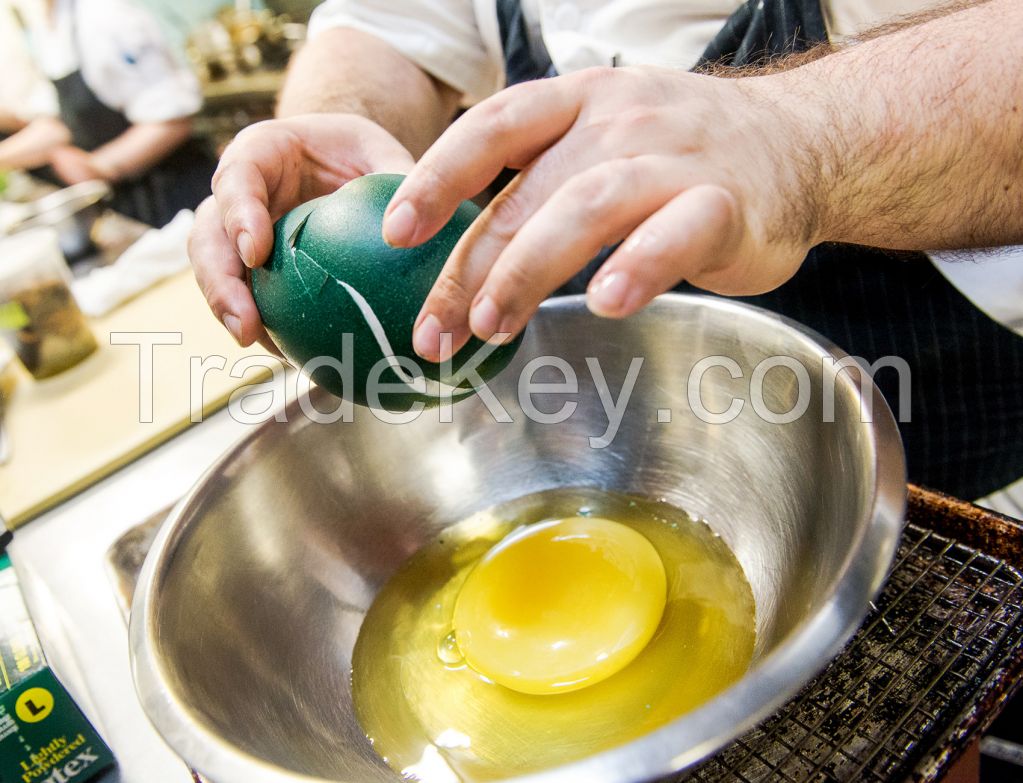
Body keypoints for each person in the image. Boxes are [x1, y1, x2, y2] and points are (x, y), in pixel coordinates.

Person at [189, 0, 1023, 502]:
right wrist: (333, 128)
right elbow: (387, 25)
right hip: (631, 472)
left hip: (960, 474)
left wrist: (801, 137)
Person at [0, 0, 217, 227]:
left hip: (181, 195)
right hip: (135, 204)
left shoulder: (104, 15)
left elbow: (174, 119)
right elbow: (56, 126)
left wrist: (104, 165)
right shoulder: (47, 24)